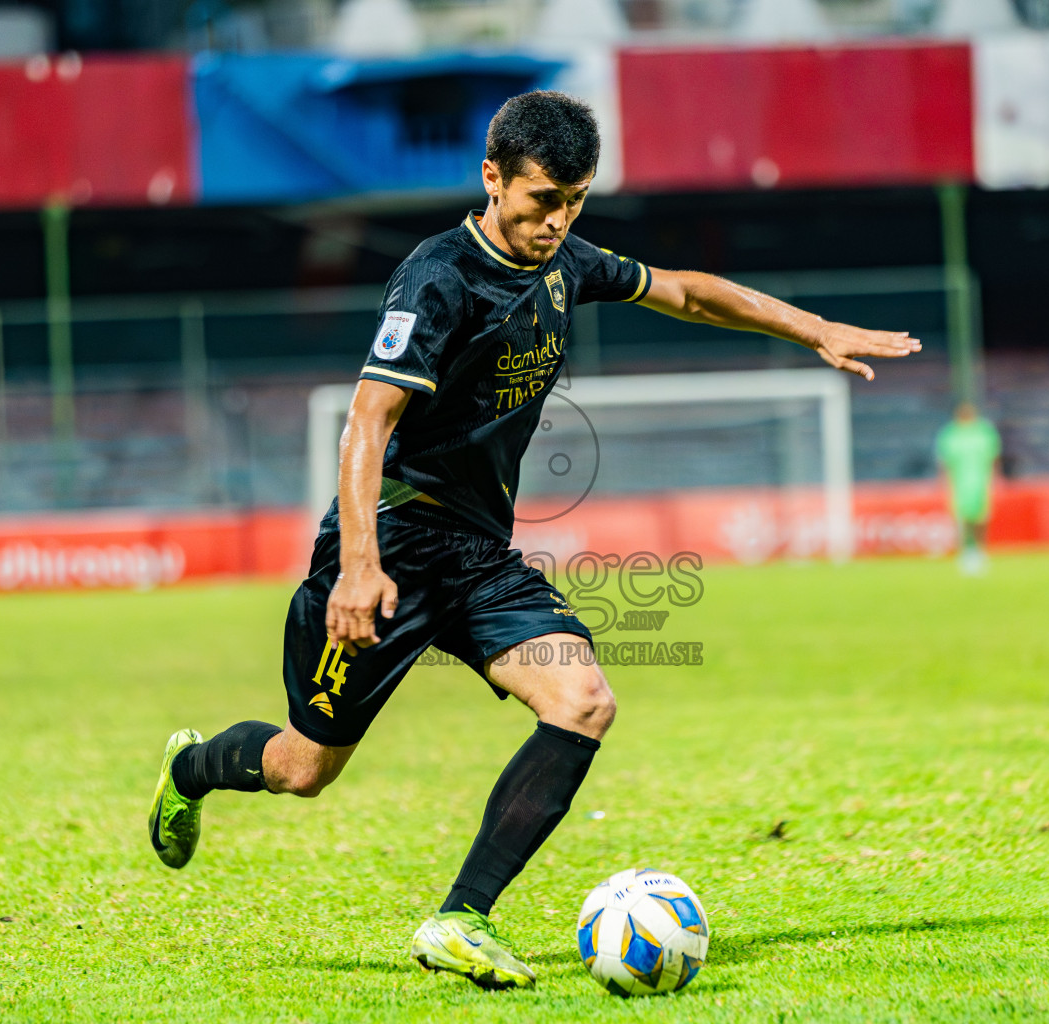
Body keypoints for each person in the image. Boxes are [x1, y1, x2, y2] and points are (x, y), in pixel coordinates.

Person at [146, 90, 920, 990]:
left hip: (479, 556)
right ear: (493, 178)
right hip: (394, 547)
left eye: (575, 202)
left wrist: (812, 327)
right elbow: (367, 420)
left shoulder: (565, 260)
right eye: (542, 199)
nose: (557, 222)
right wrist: (358, 567)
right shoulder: (438, 277)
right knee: (303, 767)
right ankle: (191, 767)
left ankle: (460, 918)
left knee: (583, 700)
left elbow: (684, 291)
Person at [935, 401, 1002, 575]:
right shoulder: (950, 433)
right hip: (959, 484)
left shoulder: (984, 431)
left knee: (981, 518)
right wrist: (943, 481)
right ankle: (965, 552)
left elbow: (994, 457)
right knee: (962, 518)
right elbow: (944, 461)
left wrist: (996, 478)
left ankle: (980, 551)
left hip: (981, 481)